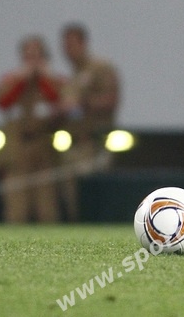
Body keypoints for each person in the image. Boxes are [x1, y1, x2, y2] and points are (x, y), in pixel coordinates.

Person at [0, 35, 64, 223]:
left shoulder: (52, 81)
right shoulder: (12, 80)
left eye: (37, 56)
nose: (33, 62)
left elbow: (62, 101)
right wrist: (20, 78)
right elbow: (1, 101)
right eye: (28, 56)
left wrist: (45, 76)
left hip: (43, 147)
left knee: (46, 207)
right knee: (16, 208)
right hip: (17, 148)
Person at [59, 23, 120, 221]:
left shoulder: (100, 68)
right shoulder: (72, 75)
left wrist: (81, 104)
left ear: (83, 43)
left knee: (93, 197)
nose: (67, 49)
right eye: (65, 45)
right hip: (74, 143)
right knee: (72, 199)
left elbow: (111, 100)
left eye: (72, 44)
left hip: (94, 143)